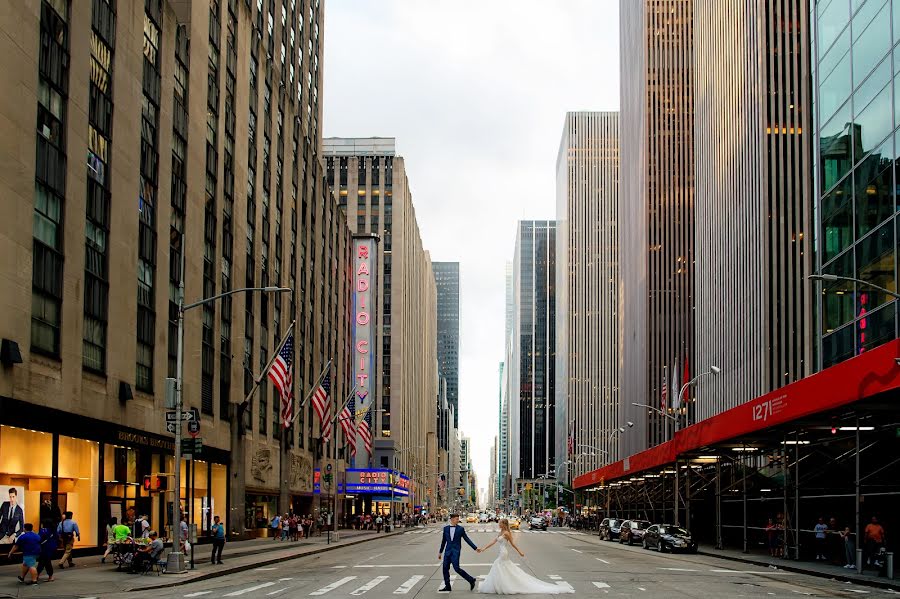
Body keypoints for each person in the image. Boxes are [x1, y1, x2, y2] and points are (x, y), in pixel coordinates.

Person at [477, 518, 572, 594]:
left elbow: (513, 544)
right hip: (501, 552)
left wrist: (520, 552)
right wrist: (484, 548)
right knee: (503, 568)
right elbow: (493, 542)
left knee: (499, 567)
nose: (499, 524)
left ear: (504, 524)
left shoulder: (506, 533)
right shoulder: (500, 532)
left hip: (504, 553)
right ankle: (501, 585)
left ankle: (503, 586)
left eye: (500, 523)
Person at [437, 513, 480, 592]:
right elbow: (443, 541)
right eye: (457, 519)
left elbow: (467, 539)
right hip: (447, 551)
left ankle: (471, 580)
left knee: (456, 568)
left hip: (456, 552)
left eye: (458, 519)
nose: (458, 520)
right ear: (452, 519)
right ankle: (448, 586)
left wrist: (475, 548)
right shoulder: (446, 529)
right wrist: (440, 552)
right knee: (445, 569)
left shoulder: (460, 529)